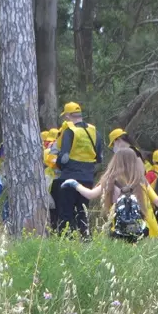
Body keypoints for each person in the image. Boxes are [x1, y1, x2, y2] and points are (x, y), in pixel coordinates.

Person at [62, 148, 158, 242]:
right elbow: (157, 201)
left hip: (117, 231)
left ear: (116, 161)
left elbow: (90, 194)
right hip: (141, 230)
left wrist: (74, 184)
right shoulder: (141, 180)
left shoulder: (110, 180)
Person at [54, 102, 103, 238]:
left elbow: (64, 158)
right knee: (83, 212)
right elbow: (99, 158)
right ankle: (85, 239)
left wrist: (57, 163)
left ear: (68, 116)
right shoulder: (94, 132)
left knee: (66, 213)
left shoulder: (70, 131)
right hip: (87, 178)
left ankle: (66, 240)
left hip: (68, 177)